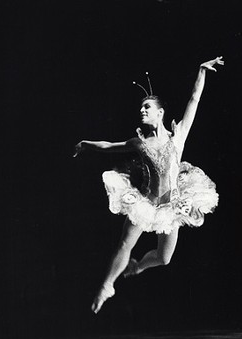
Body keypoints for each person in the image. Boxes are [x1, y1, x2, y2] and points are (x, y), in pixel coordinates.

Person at [74, 56, 224, 314]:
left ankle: (138, 266)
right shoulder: (139, 143)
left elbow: (193, 100)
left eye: (147, 107)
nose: (142, 111)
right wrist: (85, 144)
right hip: (145, 204)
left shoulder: (178, 137)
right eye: (141, 108)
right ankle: (106, 286)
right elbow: (109, 146)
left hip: (172, 206)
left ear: (160, 113)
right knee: (124, 243)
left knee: (164, 258)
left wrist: (201, 71)